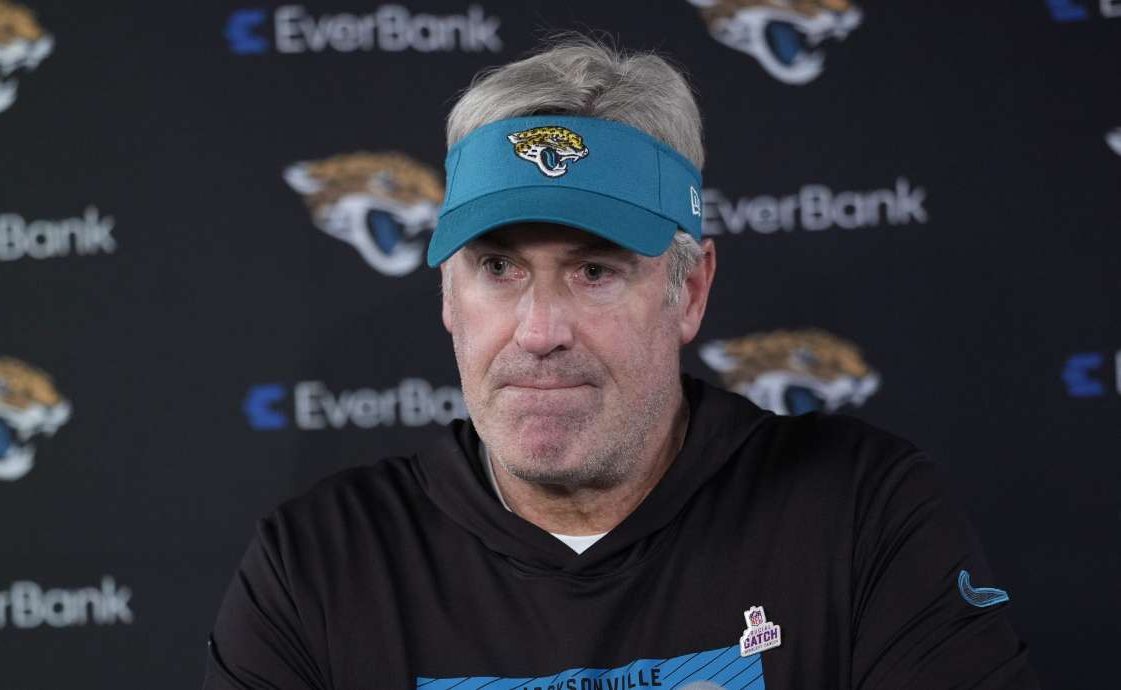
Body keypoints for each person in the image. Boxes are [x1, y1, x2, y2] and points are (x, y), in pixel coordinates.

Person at [203, 36, 1040, 689]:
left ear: (690, 291)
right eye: (498, 268)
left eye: (595, 269)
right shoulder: (318, 564)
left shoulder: (860, 517)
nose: (539, 330)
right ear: (448, 298)